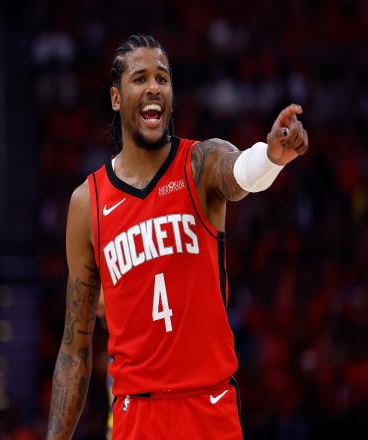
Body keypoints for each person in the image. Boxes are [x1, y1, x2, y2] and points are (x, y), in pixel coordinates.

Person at [47, 34, 308, 440]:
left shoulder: (201, 163)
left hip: (209, 408)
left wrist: (270, 157)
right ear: (116, 98)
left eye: (163, 78)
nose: (154, 87)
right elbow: (74, 348)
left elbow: (239, 174)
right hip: (136, 415)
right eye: (140, 78)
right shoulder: (87, 202)